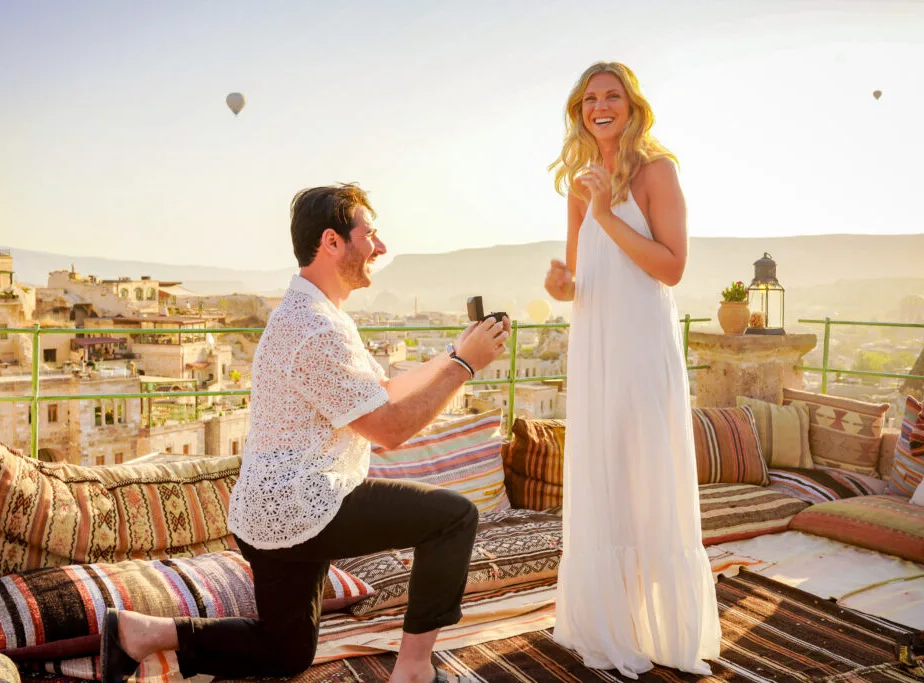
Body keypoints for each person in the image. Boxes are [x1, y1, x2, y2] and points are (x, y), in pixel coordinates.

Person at [100, 183, 510, 683]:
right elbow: (389, 429)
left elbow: (379, 391)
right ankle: (414, 671)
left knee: (285, 652)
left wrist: (454, 354)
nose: (380, 247)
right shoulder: (314, 328)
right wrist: (465, 367)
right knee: (453, 518)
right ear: (332, 241)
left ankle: (140, 632)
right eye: (370, 234)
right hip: (304, 501)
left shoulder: (316, 315)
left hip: (274, 509)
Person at [543, 62, 721, 678]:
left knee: (647, 477)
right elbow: (578, 280)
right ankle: (608, 624)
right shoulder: (579, 183)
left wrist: (605, 212)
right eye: (590, 99)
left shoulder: (657, 171)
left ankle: (660, 628)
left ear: (632, 104)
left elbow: (671, 268)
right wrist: (559, 285)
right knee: (605, 476)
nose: (600, 106)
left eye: (611, 95)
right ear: (580, 111)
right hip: (595, 349)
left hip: (642, 347)